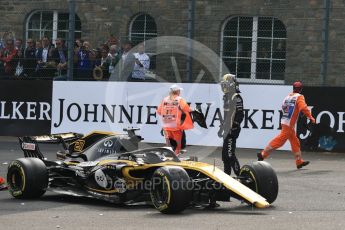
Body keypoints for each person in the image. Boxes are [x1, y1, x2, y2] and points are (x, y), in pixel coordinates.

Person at [257, 81, 316, 169]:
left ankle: (299, 162)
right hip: (289, 124)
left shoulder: (287, 97)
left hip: (285, 121)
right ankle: (263, 154)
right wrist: (310, 117)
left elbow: (284, 108)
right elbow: (303, 107)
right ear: (301, 89)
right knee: (280, 141)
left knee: (295, 141)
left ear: (293, 88)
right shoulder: (299, 97)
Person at [218, 74, 244, 176]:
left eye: (226, 84)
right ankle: (226, 176)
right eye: (223, 85)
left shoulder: (236, 97)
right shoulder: (226, 97)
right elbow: (226, 116)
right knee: (225, 156)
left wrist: (234, 127)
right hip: (226, 130)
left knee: (229, 154)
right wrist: (222, 128)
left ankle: (240, 175)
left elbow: (240, 115)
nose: (224, 87)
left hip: (232, 130)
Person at [157, 84, 194, 155]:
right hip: (175, 126)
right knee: (178, 144)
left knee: (168, 143)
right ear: (177, 91)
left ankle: (168, 155)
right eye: (179, 90)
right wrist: (193, 110)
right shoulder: (179, 99)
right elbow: (187, 109)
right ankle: (176, 156)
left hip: (166, 125)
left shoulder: (165, 99)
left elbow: (159, 111)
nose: (180, 92)